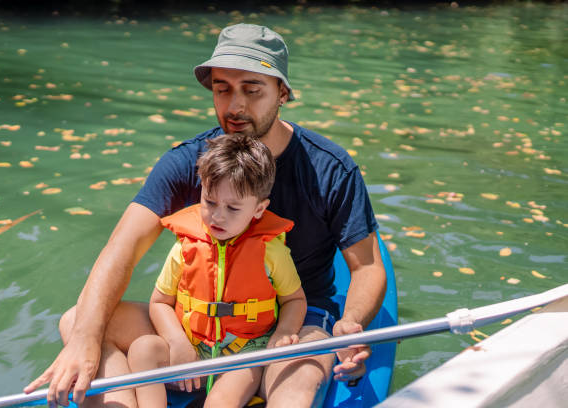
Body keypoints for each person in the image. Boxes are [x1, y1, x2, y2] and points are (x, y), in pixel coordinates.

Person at [25, 23, 386, 408]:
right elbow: (123, 249)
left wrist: (352, 324)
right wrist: (84, 341)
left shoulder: (329, 168)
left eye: (252, 89)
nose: (235, 106)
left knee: (295, 389)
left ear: (282, 92)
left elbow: (365, 267)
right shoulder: (191, 161)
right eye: (222, 89)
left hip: (295, 324)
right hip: (201, 323)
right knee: (78, 321)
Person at [128, 133, 306, 408]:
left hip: (244, 355)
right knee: (143, 349)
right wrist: (178, 343)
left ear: (259, 209)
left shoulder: (271, 253)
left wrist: (284, 333)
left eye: (233, 208)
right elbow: (159, 302)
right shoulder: (185, 248)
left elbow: (294, 300)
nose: (218, 216)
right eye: (209, 202)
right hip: (193, 348)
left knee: (219, 402)